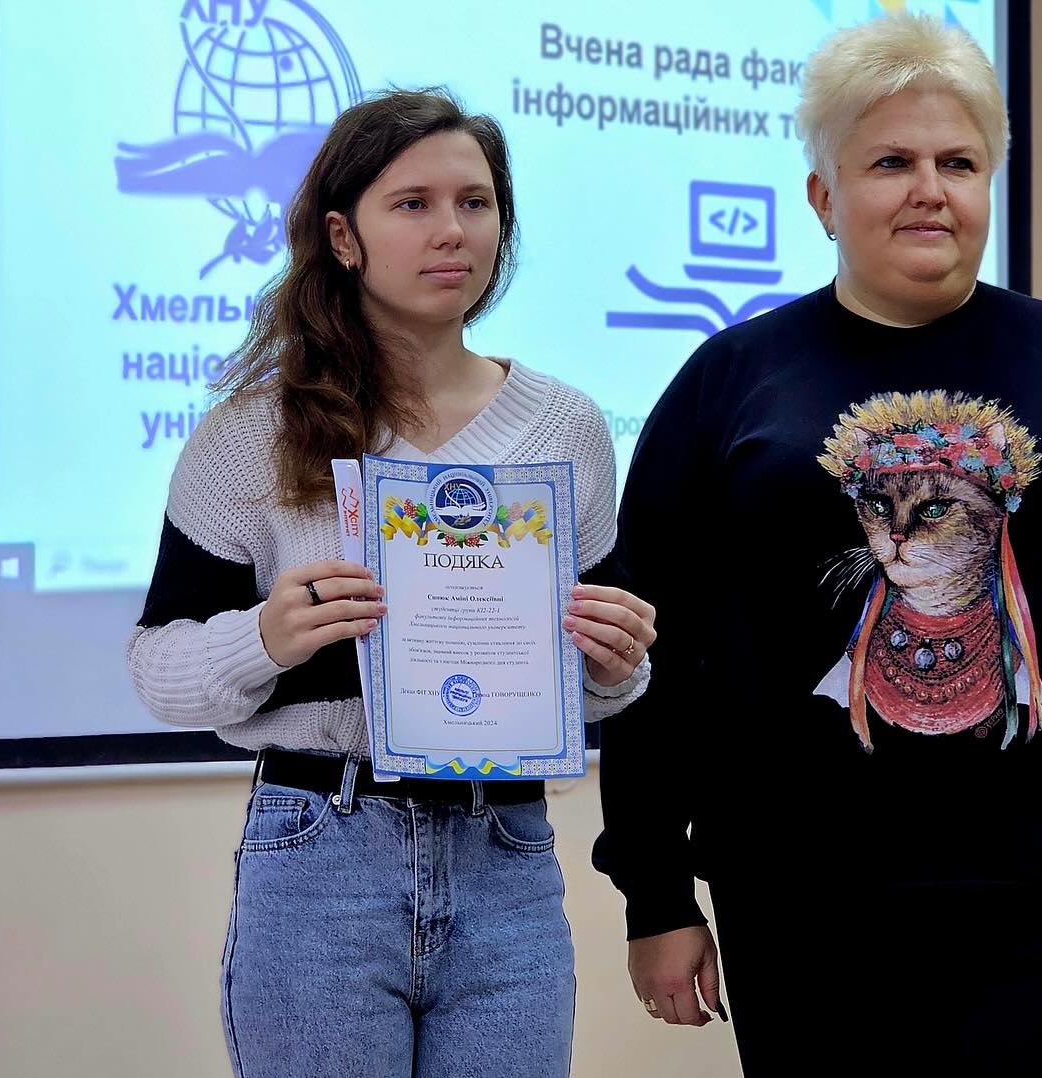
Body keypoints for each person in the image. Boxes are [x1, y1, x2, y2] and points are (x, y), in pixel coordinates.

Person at [593, 14, 1042, 1075]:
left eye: (957, 163)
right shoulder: (729, 380)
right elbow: (647, 652)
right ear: (823, 197)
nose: (931, 190)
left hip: (1038, 905)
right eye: (891, 162)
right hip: (795, 911)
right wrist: (656, 892)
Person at [126, 88, 656, 1078]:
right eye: (413, 203)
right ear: (344, 236)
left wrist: (618, 664)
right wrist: (263, 637)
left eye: (476, 203)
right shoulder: (252, 431)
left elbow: (598, 686)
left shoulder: (568, 427)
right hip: (320, 847)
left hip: (507, 851)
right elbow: (157, 665)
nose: (453, 230)